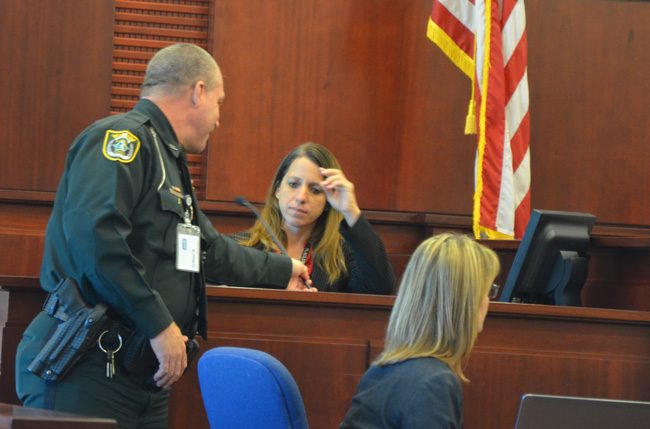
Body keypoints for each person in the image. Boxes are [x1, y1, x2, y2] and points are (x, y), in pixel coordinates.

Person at [15, 43, 311, 429]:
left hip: (141, 377)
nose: (219, 119)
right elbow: (98, 244)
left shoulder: (169, 163)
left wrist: (282, 270)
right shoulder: (122, 141)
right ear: (198, 91)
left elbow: (212, 252)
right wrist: (159, 324)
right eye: (220, 102)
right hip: (86, 368)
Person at [340, 232, 500, 428]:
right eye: (487, 291)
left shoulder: (382, 370)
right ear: (466, 303)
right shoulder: (434, 383)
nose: (488, 300)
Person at [232, 142, 395, 294]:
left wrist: (350, 210)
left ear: (327, 202)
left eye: (315, 190)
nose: (301, 197)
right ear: (277, 189)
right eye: (293, 184)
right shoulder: (239, 248)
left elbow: (381, 288)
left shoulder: (343, 257)